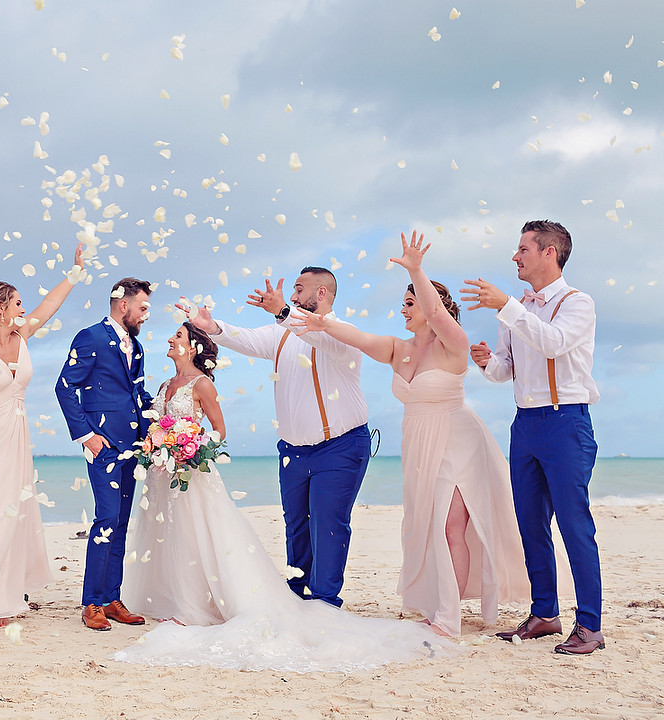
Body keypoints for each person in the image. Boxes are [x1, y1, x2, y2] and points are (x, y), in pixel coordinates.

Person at [113, 322, 452, 673]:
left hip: (191, 470)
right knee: (169, 532)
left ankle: (207, 603)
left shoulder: (203, 385)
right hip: (162, 472)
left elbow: (217, 431)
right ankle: (172, 594)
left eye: (178, 336)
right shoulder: (166, 385)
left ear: (195, 346)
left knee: (202, 532)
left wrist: (188, 448)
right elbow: (156, 423)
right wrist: (156, 441)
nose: (171, 339)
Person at [292, 232, 530, 636]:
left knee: (451, 525)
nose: (403, 310)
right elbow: (360, 339)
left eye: (409, 303)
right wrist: (324, 324)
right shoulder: (398, 349)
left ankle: (450, 619)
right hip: (419, 444)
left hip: (458, 442)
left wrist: (417, 271)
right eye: (403, 303)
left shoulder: (453, 343)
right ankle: (438, 604)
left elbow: (437, 315)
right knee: (424, 524)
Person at [184, 267, 370, 608]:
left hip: (340, 448)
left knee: (328, 526)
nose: (295, 295)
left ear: (323, 294)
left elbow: (320, 338)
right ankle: (297, 596)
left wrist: (284, 312)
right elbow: (246, 338)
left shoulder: (345, 334)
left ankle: (326, 601)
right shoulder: (281, 334)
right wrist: (211, 327)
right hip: (293, 452)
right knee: (296, 525)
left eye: (300, 289)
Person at [461, 220, 604, 655]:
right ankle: (545, 614)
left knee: (575, 525)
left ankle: (590, 627)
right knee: (530, 523)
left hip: (567, 423)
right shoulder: (517, 309)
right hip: (525, 425)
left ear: (549, 253)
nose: (515, 256)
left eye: (523, 248)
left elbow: (553, 344)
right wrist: (487, 362)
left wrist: (507, 306)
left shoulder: (579, 304)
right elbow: (508, 371)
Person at [0, 243, 86, 636]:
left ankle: (2, 600)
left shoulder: (21, 335)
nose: (24, 309)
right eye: (17, 303)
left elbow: (48, 306)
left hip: (14, 438)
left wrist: (74, 273)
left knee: (10, 518)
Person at [56, 277, 154, 631]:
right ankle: (91, 603)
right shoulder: (90, 337)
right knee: (106, 519)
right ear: (123, 304)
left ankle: (112, 599)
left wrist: (152, 432)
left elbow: (138, 395)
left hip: (133, 449)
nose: (146, 315)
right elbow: (65, 387)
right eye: (142, 308)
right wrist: (87, 436)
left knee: (121, 524)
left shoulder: (137, 348)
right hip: (104, 447)